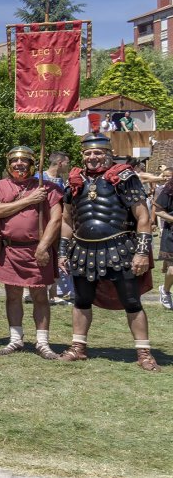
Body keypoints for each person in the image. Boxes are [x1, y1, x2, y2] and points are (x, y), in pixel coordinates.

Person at [58, 132, 159, 371]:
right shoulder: (74, 179)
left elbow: (142, 216)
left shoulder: (124, 177)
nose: (92, 157)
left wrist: (142, 252)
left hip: (119, 248)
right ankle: (78, 348)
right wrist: (63, 252)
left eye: (98, 152)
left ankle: (144, 353)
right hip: (82, 249)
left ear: (108, 153)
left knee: (132, 301)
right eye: (88, 153)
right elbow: (66, 220)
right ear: (82, 155)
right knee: (81, 300)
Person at [0, 146, 63, 359]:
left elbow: (56, 219)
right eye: (14, 161)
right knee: (12, 296)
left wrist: (43, 247)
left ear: (32, 164)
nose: (19, 165)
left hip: (37, 249)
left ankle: (42, 343)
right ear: (8, 165)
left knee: (40, 295)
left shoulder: (47, 188)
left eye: (24, 161)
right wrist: (29, 200)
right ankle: (15, 340)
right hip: (10, 248)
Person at [40, 151, 73, 304]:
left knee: (54, 259)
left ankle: (53, 294)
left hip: (57, 225)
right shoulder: (39, 178)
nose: (68, 165)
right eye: (67, 162)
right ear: (60, 163)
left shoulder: (62, 181)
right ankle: (29, 291)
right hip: (40, 226)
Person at [152, 174, 173, 311]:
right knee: (172, 271)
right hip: (171, 233)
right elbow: (158, 210)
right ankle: (165, 291)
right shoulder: (169, 190)